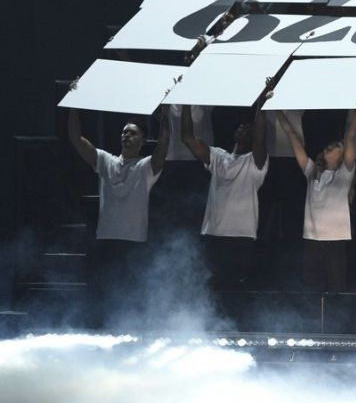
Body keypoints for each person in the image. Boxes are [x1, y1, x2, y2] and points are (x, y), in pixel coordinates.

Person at [180, 107, 268, 290]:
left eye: (249, 128)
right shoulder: (219, 156)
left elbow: (260, 138)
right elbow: (187, 138)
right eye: (242, 126)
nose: (243, 128)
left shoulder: (255, 162)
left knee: (236, 291)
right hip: (213, 234)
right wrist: (185, 103)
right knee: (211, 290)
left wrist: (263, 104)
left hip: (241, 237)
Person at [278, 109, 356, 293]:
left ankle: (336, 313)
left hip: (335, 239)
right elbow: (291, 135)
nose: (331, 146)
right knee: (312, 288)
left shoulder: (345, 174)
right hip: (312, 238)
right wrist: (275, 108)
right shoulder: (312, 172)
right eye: (329, 145)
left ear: (343, 155)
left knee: (336, 288)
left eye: (337, 145)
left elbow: (350, 136)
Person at [68, 108, 170, 244]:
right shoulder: (106, 160)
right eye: (124, 132)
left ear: (143, 141)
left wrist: (165, 119)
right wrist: (73, 107)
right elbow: (76, 138)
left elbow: (162, 148)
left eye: (133, 133)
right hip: (106, 237)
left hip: (134, 240)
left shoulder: (145, 166)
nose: (126, 135)